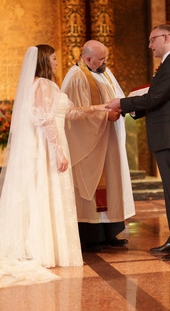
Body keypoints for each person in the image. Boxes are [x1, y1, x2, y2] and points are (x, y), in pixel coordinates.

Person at [0, 45, 108, 294]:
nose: (58, 63)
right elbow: (46, 119)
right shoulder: (43, 85)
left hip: (52, 146)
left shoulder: (44, 85)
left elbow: (68, 113)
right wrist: (58, 152)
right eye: (54, 59)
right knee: (45, 196)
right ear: (43, 62)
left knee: (46, 197)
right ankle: (44, 249)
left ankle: (50, 248)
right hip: (49, 150)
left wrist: (101, 109)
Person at [107, 24, 170, 261]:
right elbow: (159, 100)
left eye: (153, 40)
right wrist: (130, 110)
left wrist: (122, 104)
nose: (150, 45)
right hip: (167, 134)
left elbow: (155, 97)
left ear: (166, 37)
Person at [61, 40, 135, 252]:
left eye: (106, 58)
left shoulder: (104, 71)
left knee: (112, 182)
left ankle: (110, 232)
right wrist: (105, 116)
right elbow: (76, 114)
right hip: (90, 145)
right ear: (87, 59)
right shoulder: (76, 77)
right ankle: (92, 236)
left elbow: (118, 96)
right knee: (91, 188)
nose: (106, 62)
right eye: (101, 59)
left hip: (109, 140)